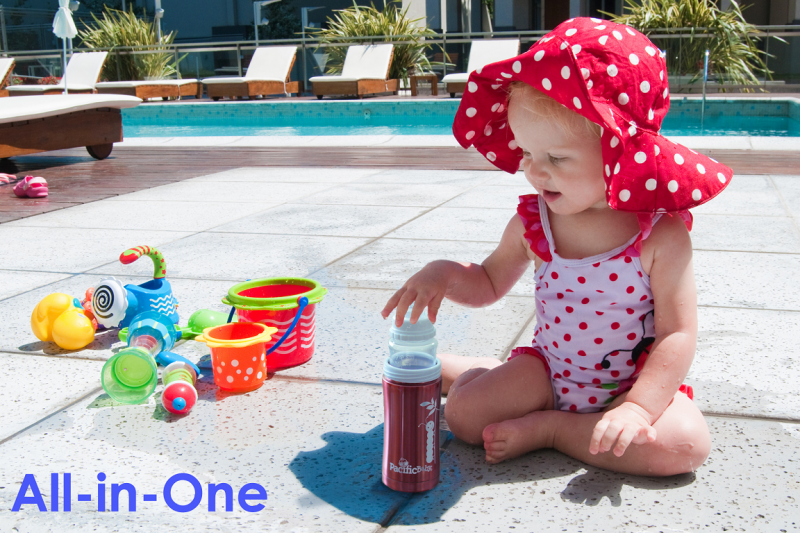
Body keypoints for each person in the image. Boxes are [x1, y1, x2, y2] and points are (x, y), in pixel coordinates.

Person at [381, 17, 733, 476]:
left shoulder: (660, 236)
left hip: (630, 385)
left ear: (619, 150)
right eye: (526, 153)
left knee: (684, 446)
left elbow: (677, 333)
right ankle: (482, 373)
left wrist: (638, 408)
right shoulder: (535, 225)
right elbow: (488, 281)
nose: (534, 171)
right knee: (464, 417)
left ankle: (552, 430)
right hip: (548, 372)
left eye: (556, 158)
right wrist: (444, 274)